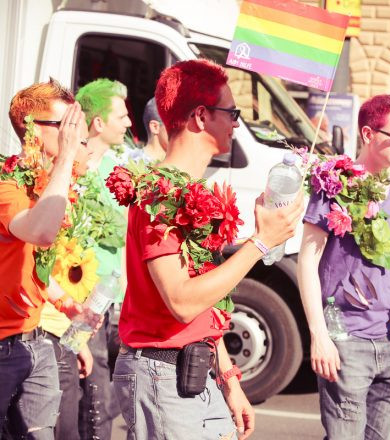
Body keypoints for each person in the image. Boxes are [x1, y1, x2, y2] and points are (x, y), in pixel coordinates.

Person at [111, 59, 304, 439]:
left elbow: (205, 308)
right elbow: (181, 301)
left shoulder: (186, 191)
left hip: (191, 374)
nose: (236, 123)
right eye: (231, 113)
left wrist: (230, 380)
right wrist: (260, 242)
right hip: (164, 375)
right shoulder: (160, 194)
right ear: (201, 116)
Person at [298, 94, 390, 440]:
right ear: (367, 133)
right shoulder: (333, 183)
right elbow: (307, 262)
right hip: (346, 341)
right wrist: (319, 336)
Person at [0, 79, 91, 438]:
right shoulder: (7, 186)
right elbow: (38, 233)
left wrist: (69, 309)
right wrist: (67, 157)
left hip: (35, 341)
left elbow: (32, 263)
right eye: (67, 125)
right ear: (32, 131)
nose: (76, 134)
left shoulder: (44, 184)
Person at [74, 78, 131, 440]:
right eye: (121, 115)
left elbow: (127, 239)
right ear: (98, 124)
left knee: (108, 390)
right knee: (92, 392)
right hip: (79, 295)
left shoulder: (120, 170)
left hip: (114, 297)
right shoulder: (72, 167)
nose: (128, 122)